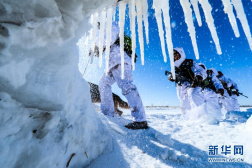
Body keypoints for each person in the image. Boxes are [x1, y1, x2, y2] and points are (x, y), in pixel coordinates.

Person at [93, 22, 148, 130]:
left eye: (99, 23)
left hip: (121, 60)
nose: (98, 26)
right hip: (112, 63)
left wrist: (95, 45)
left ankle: (140, 119)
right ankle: (108, 113)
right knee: (103, 83)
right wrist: (95, 50)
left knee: (127, 87)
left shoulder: (112, 25)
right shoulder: (106, 32)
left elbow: (107, 39)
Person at [169, 47, 207, 115]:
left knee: (193, 95)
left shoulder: (190, 63)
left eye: (176, 53)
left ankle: (204, 119)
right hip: (182, 89)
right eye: (173, 55)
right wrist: (171, 77)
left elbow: (200, 70)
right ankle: (189, 123)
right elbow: (173, 76)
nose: (175, 56)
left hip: (193, 85)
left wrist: (199, 77)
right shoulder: (175, 68)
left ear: (181, 53)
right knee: (184, 107)